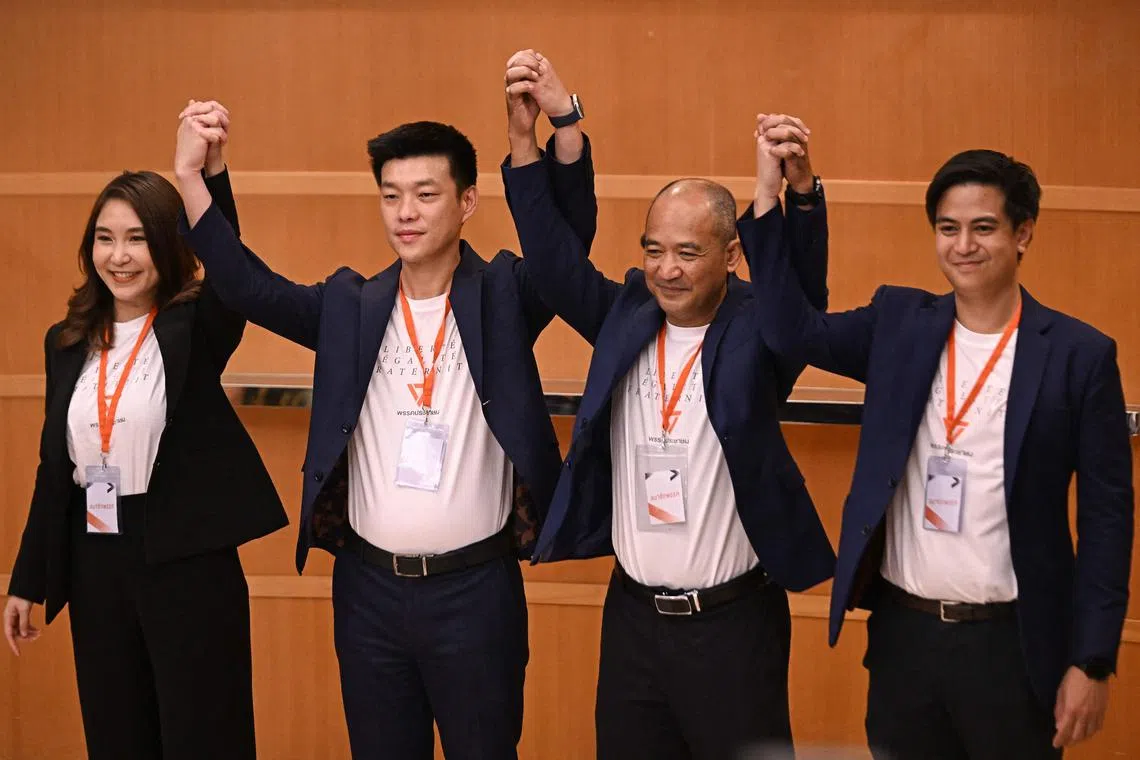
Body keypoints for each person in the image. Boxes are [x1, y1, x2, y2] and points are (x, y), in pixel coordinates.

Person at [172, 51, 596, 760]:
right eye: (392, 194)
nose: (406, 212)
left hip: (476, 593)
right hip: (367, 592)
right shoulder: (351, 306)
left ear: (466, 203)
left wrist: (554, 129)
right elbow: (246, 286)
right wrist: (195, 176)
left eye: (426, 194)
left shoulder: (502, 296)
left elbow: (567, 253)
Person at [743, 121, 1134, 758]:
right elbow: (791, 331)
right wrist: (784, 196)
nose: (963, 246)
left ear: (1023, 232)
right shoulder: (900, 324)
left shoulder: (1078, 355)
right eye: (948, 229)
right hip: (906, 639)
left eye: (984, 228)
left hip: (1013, 646)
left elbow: (1108, 520)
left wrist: (1091, 662)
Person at [502, 89, 835, 758]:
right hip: (633, 623)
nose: (665, 269)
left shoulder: (761, 331)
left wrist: (793, 193)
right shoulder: (627, 314)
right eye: (653, 250)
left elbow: (801, 294)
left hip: (733, 627)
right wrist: (529, 139)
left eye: (686, 252)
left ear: (732, 254)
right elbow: (554, 266)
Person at [2, 101, 288, 760]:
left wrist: (209, 175)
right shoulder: (67, 341)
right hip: (96, 561)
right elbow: (55, 469)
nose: (119, 255)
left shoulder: (196, 326)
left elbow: (236, 277)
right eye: (105, 237)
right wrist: (28, 578)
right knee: (117, 738)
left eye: (136, 238)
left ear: (169, 245)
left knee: (201, 739)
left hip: (186, 564)